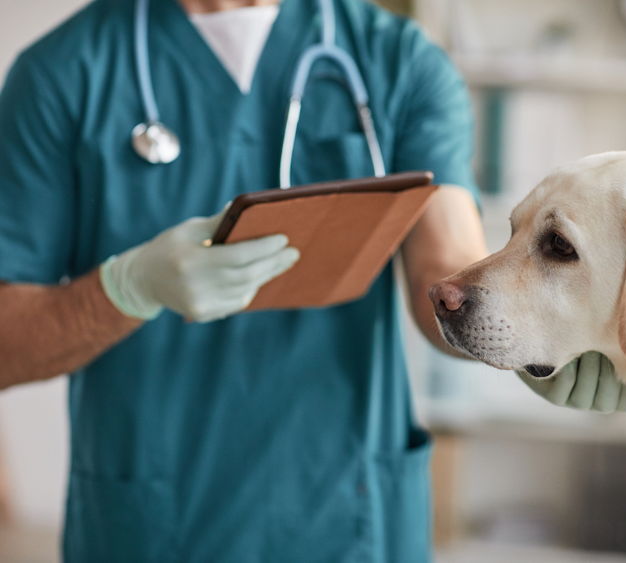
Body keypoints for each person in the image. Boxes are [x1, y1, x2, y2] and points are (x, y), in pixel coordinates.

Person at [0, 0, 488, 560]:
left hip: (347, 523)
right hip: (155, 530)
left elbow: (448, 270)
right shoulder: (61, 74)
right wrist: (128, 288)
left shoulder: (400, 62)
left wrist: (534, 337)